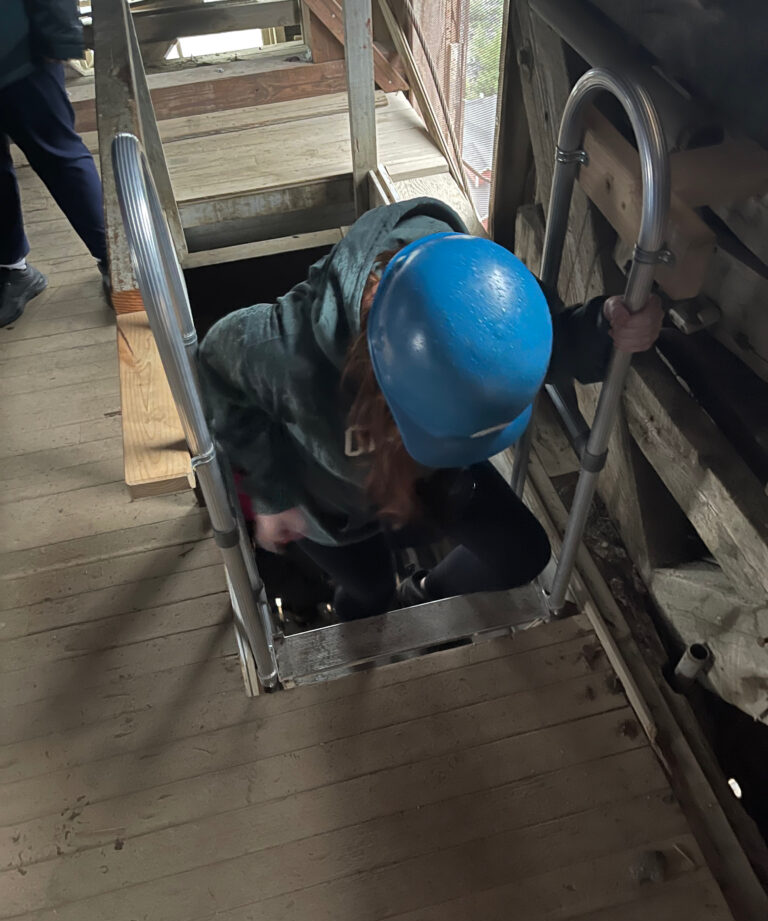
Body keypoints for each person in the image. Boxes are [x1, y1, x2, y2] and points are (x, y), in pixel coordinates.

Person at [198, 198, 662, 622]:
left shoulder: (478, 288)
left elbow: (529, 344)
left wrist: (602, 330)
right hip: (330, 512)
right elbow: (217, 364)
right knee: (368, 595)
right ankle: (354, 615)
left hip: (433, 485)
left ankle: (422, 592)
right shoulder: (291, 352)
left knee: (521, 552)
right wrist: (274, 493)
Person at [1, 0, 108, 328]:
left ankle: (117, 258)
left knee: (61, 158)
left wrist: (60, 36)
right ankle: (13, 269)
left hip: (18, 48)